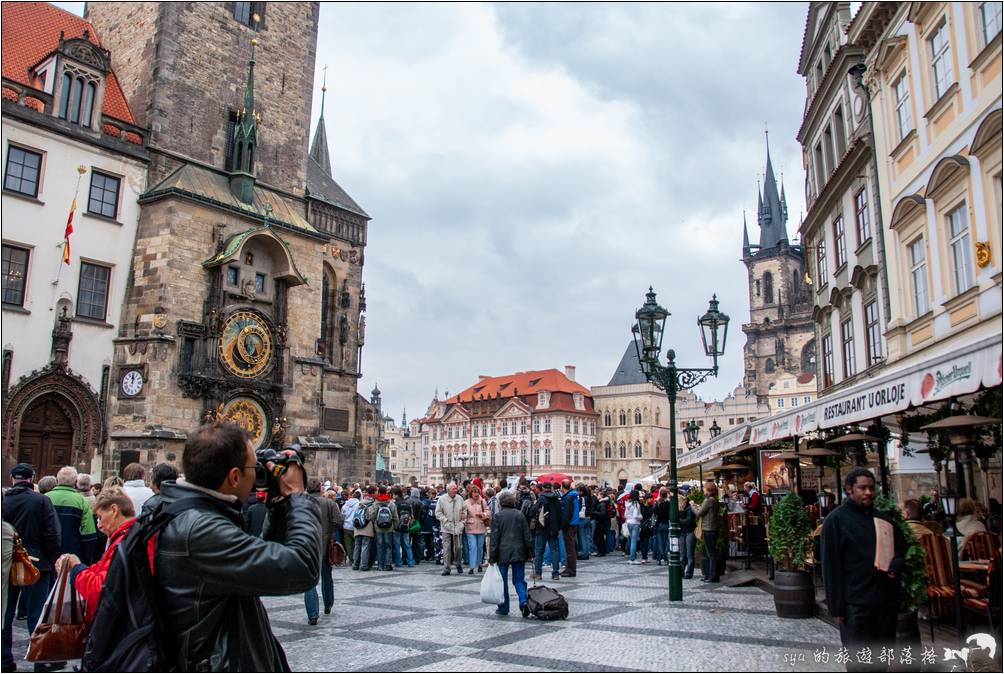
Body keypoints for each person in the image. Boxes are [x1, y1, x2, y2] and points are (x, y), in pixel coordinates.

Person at [153, 421, 320, 671]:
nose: (257, 473)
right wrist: (298, 496)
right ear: (234, 476)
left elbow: (262, 561)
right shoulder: (200, 529)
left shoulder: (190, 514)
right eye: (254, 467)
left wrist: (279, 506)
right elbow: (302, 567)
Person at [821, 468, 906, 673]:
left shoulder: (883, 520)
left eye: (871, 488)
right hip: (855, 604)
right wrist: (837, 607)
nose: (868, 492)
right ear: (849, 490)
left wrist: (895, 566)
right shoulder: (836, 520)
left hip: (884, 601)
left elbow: (902, 548)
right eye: (862, 488)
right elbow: (830, 565)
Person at [1, 464, 61, 672]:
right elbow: (52, 534)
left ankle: (4, 660)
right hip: (37, 563)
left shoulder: (4, 500)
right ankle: (40, 660)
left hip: (8, 565)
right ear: (32, 479)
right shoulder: (42, 500)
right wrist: (52, 558)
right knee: (37, 614)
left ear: (12, 478)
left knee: (6, 614)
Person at [57, 487, 141, 624]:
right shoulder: (127, 537)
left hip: (119, 624)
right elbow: (103, 569)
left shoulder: (126, 542)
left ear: (114, 510)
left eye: (100, 517)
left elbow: (99, 590)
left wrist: (76, 568)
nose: (100, 525)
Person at [304, 477, 342, 624]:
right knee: (326, 576)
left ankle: (313, 615)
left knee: (309, 580)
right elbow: (338, 521)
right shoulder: (329, 503)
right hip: (325, 544)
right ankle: (327, 605)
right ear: (320, 488)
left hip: (306, 545)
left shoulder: (300, 504)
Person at [489, 490, 532, 617]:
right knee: (519, 579)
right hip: (519, 552)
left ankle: (503, 608)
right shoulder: (520, 515)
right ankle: (523, 601)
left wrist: (492, 557)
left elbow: (494, 538)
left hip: (503, 553)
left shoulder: (498, 516)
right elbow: (527, 535)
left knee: (502, 582)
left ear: (501, 503)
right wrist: (531, 552)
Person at [46, 465, 100, 564]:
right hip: (72, 554)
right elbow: (89, 533)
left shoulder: (44, 498)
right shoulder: (82, 501)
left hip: (47, 552)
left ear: (57, 481)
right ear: (75, 483)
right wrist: (87, 558)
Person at [533, 482, 563, 581]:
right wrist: (558, 528)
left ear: (543, 488)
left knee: (539, 551)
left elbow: (533, 512)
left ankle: (538, 573)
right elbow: (560, 515)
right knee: (555, 551)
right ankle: (555, 574)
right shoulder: (556, 499)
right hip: (554, 529)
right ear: (551, 488)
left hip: (541, 528)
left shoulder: (541, 499)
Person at [693, 480, 721, 582]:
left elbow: (699, 513)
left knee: (711, 553)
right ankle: (710, 575)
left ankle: (712, 576)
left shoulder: (709, 500)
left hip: (708, 529)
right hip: (712, 528)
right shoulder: (713, 500)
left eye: (704, 488)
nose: (703, 489)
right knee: (710, 553)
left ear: (708, 489)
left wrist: (692, 506)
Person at [436, 483, 467, 575]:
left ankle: (458, 563)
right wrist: (445, 520)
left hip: (458, 526)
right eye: (453, 489)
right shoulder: (442, 499)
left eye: (456, 488)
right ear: (448, 490)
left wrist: (463, 521)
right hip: (446, 527)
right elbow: (438, 513)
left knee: (458, 548)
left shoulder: (460, 498)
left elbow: (465, 510)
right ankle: (447, 568)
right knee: (447, 548)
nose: (455, 490)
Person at [464, 484, 490, 574]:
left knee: (480, 547)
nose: (476, 494)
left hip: (481, 526)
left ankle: (479, 564)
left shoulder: (482, 501)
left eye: (477, 492)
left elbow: (488, 511)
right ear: (471, 493)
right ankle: (472, 567)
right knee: (473, 547)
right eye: (474, 492)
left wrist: (483, 515)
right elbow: (463, 513)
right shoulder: (466, 502)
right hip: (470, 527)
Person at [373, 485, 398, 571]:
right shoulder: (391, 503)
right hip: (389, 528)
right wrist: (394, 526)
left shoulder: (376, 503)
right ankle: (387, 564)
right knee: (388, 546)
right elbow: (395, 517)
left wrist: (375, 524)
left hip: (378, 528)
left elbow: (372, 516)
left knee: (379, 546)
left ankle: (380, 565)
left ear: (379, 492)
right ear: (386, 492)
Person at [352, 486, 377, 571]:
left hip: (357, 527)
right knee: (365, 546)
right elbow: (372, 516)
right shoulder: (372, 504)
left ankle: (355, 564)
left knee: (357, 546)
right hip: (367, 528)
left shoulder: (359, 503)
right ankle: (363, 565)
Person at [559, 479, 579, 577]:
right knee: (570, 548)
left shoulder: (568, 498)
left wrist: (563, 525)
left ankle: (571, 570)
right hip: (574, 523)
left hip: (569, 525)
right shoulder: (574, 495)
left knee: (570, 549)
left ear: (562, 487)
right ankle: (569, 568)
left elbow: (567, 514)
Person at [678, 489, 697, 579]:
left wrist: (678, 520)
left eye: (679, 502)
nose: (678, 504)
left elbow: (688, 521)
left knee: (689, 554)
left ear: (683, 501)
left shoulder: (690, 508)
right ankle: (681, 571)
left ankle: (689, 573)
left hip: (690, 532)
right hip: (682, 532)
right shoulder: (679, 509)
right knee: (682, 554)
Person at [653, 487, 672, 565]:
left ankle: (659, 559)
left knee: (659, 543)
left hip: (658, 524)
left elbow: (654, 512)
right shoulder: (668, 503)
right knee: (664, 543)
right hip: (666, 523)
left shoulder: (657, 503)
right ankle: (664, 558)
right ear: (666, 494)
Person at [624, 490, 643, 564]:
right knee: (634, 541)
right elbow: (635, 516)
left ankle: (631, 557)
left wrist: (629, 517)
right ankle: (633, 558)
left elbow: (625, 515)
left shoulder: (628, 503)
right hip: (635, 523)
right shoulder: (636, 504)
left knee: (631, 540)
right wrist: (641, 517)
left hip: (629, 522)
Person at [591, 488, 612, 557]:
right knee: (600, 537)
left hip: (601, 523)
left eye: (598, 495)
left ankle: (601, 551)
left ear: (602, 496)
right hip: (601, 522)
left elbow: (603, 513)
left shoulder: (602, 504)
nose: (597, 496)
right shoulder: (602, 502)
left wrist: (594, 512)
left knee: (598, 537)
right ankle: (602, 551)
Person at [341, 490, 360, 563]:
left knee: (348, 545)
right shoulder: (359, 504)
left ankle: (351, 559)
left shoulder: (345, 505)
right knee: (356, 544)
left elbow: (342, 516)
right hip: (355, 527)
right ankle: (356, 559)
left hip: (346, 526)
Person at [576, 483, 593, 560]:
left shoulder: (581, 499)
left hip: (582, 518)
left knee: (582, 537)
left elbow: (578, 509)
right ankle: (587, 552)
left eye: (578, 491)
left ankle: (584, 554)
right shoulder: (589, 498)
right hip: (588, 518)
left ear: (581, 492)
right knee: (587, 536)